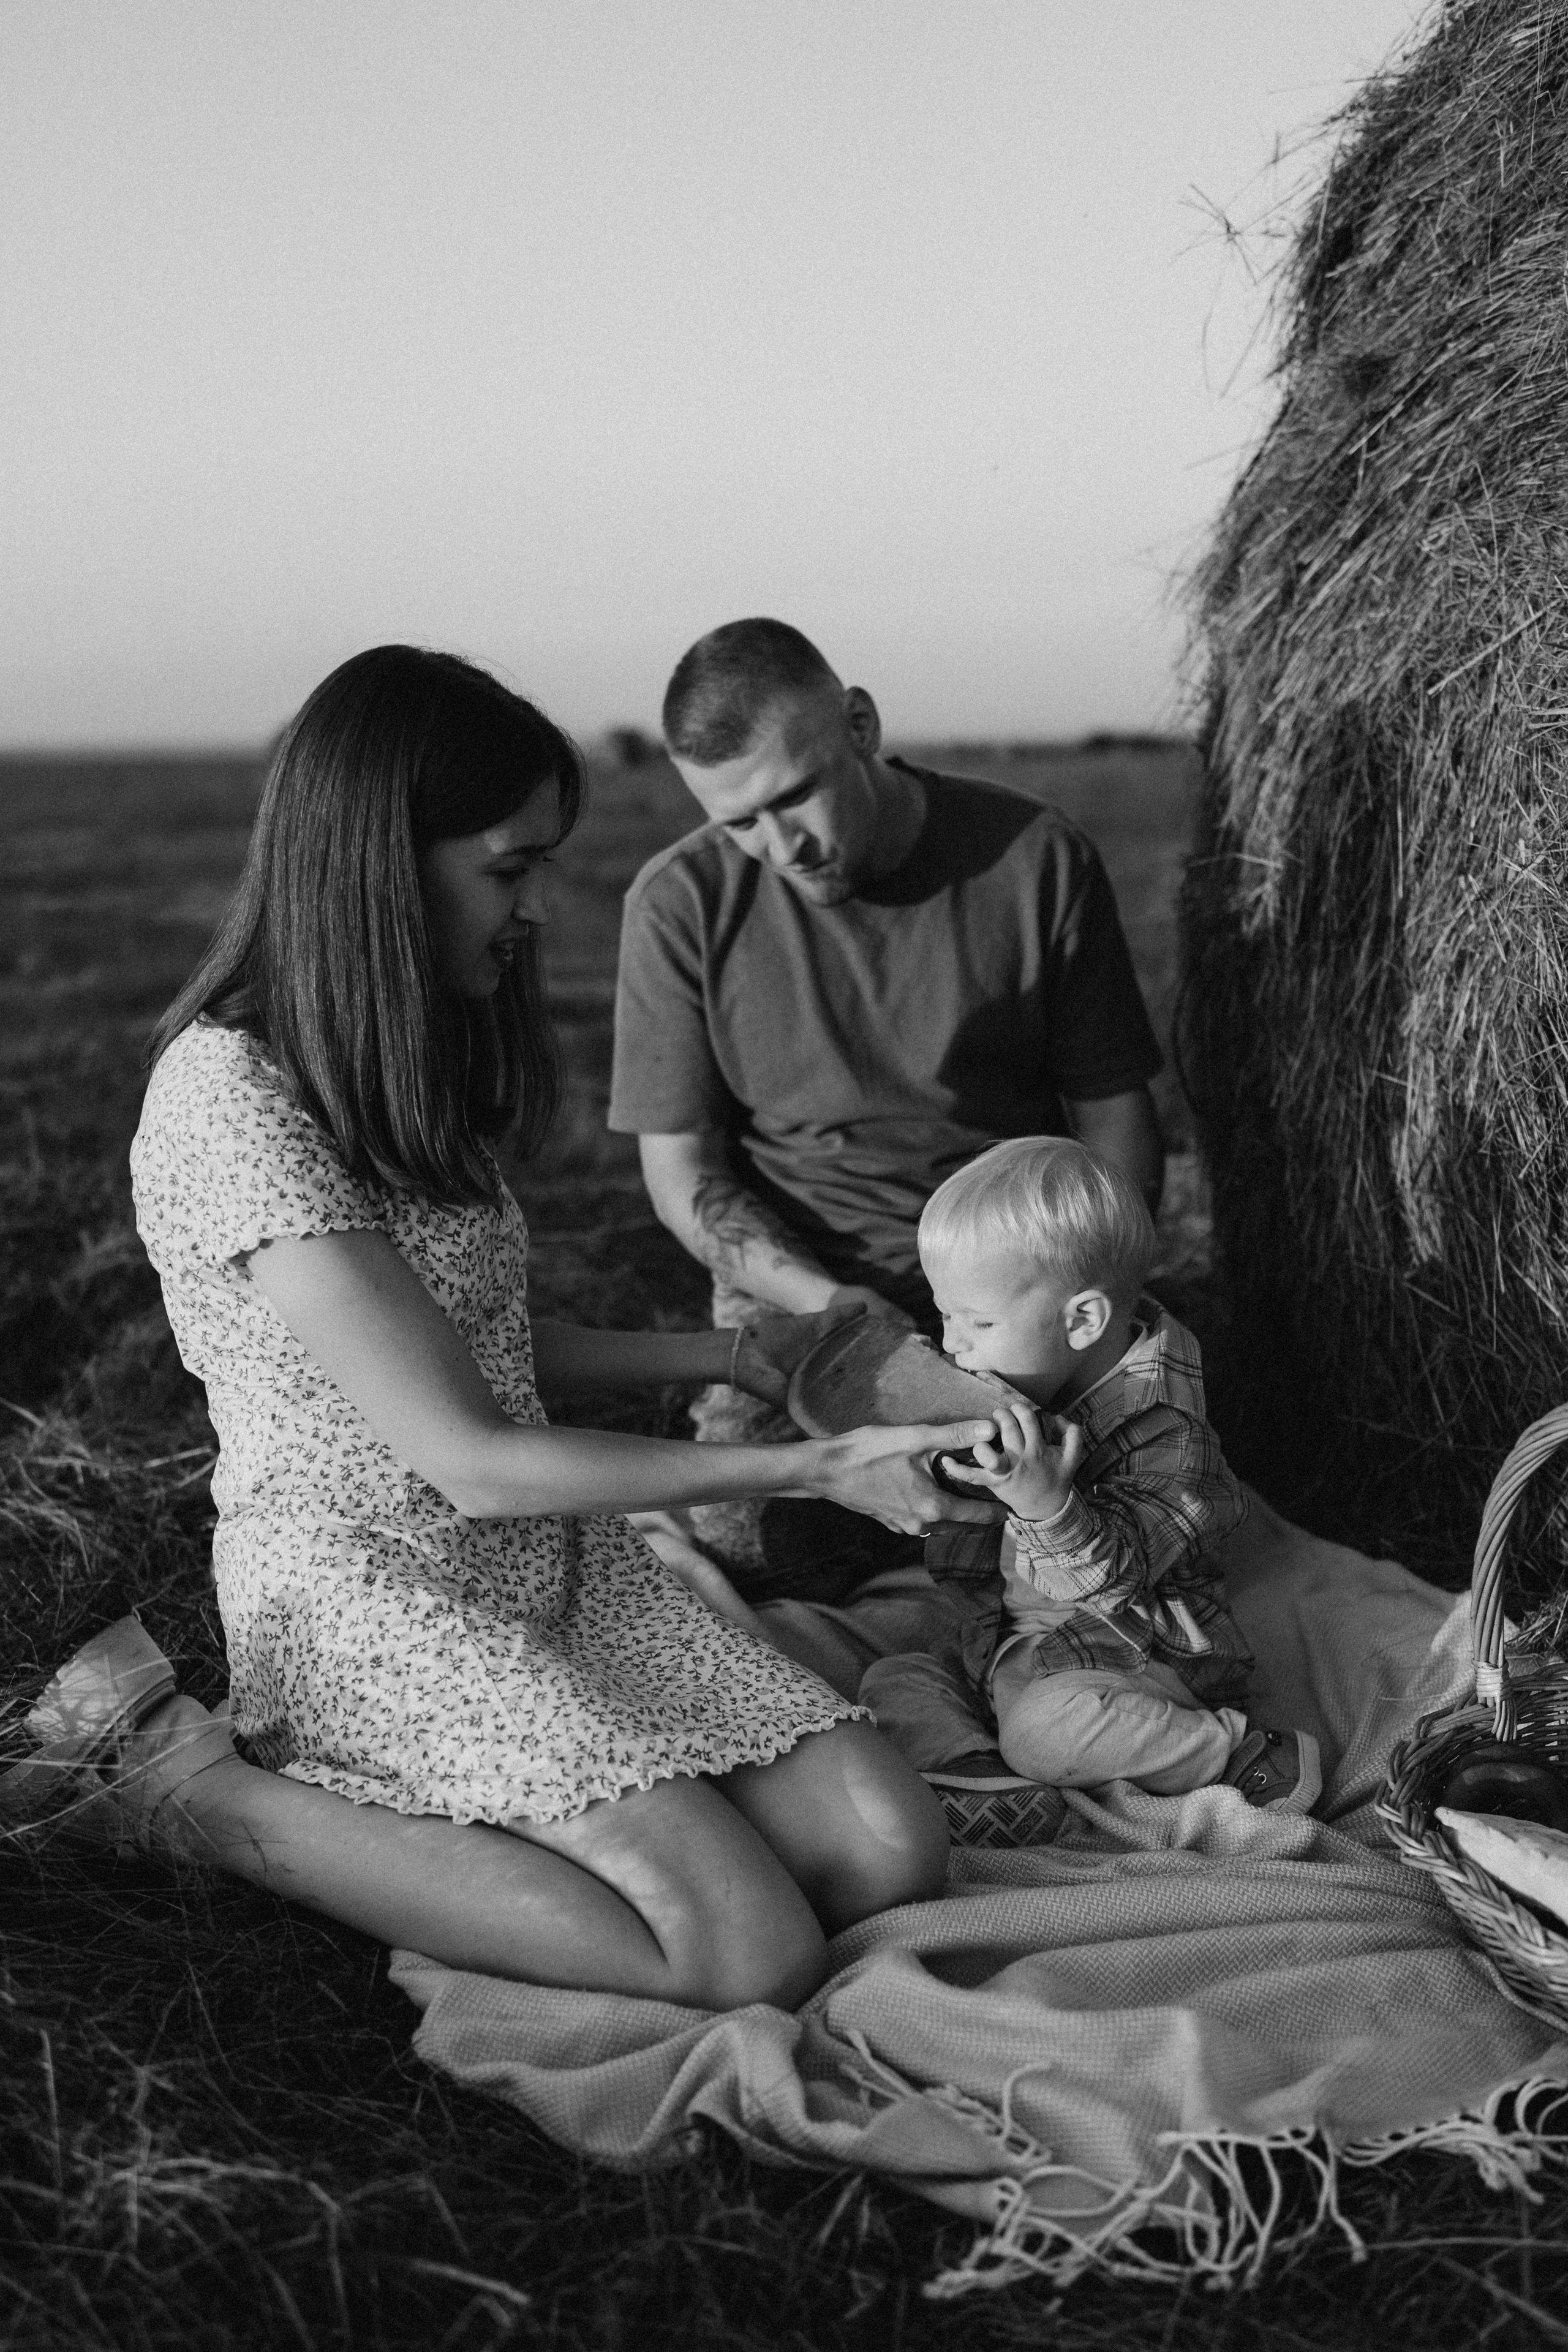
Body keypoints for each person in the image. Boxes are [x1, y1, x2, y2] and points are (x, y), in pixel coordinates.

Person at [1, 646, 1010, 2011]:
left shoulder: (398, 1056)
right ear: (382, 866)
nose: (537, 905)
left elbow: (478, 1338)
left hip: (546, 1560)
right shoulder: (230, 1098)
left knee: (887, 1850)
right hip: (374, 1594)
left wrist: (733, 1355)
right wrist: (819, 1468)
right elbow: (470, 1456)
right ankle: (180, 1789)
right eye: (509, 868)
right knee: (745, 1955)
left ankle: (521, 1827)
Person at [608, 618, 1166, 1595]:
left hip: (1016, 1263)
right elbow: (681, 1172)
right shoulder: (677, 904)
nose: (781, 846)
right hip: (806, 1282)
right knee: (747, 1547)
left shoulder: (1033, 857)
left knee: (1141, 1513)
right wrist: (824, 1303)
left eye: (795, 796)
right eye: (740, 823)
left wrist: (1090, 1295)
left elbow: (1115, 1115)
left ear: (860, 726)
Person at [855, 1137, 1321, 1841]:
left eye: (978, 1323)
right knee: (893, 1679)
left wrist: (1044, 1504)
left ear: (1082, 1321)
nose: (953, 1345)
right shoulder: (1027, 1380)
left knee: (1045, 1733)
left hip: (1137, 1655)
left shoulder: (1166, 1432)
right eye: (945, 1315)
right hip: (1010, 1644)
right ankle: (988, 1779)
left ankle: (1241, 1752)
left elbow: (1116, 1583)